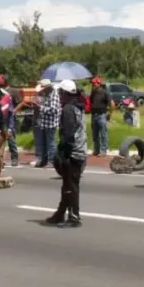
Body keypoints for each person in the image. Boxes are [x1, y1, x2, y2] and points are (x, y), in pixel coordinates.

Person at [48, 81, 87, 228]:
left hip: (73, 153)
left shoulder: (69, 110)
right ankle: (60, 213)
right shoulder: (77, 107)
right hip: (79, 150)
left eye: (60, 93)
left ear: (65, 93)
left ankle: (74, 217)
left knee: (71, 186)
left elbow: (68, 134)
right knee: (67, 185)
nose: (59, 96)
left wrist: (62, 153)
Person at [32, 79, 60, 168]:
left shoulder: (54, 95)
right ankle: (43, 160)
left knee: (50, 142)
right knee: (42, 142)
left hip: (51, 122)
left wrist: (40, 107)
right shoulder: (46, 94)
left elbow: (53, 109)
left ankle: (52, 161)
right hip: (44, 122)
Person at [88, 77, 110, 157]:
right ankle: (96, 150)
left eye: (94, 83)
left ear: (98, 84)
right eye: (92, 84)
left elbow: (111, 104)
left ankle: (103, 150)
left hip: (102, 115)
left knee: (103, 134)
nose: (93, 85)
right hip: (94, 115)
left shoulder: (105, 93)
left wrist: (109, 114)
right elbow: (90, 102)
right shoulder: (93, 93)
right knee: (95, 134)